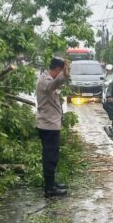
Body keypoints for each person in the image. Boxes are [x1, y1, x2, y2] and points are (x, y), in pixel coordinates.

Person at [35, 57, 70, 198]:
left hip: (51, 124)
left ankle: (52, 184)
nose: (61, 74)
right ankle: (49, 189)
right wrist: (65, 76)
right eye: (61, 71)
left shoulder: (48, 78)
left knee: (52, 156)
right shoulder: (45, 81)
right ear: (57, 70)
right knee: (50, 157)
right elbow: (53, 85)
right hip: (48, 125)